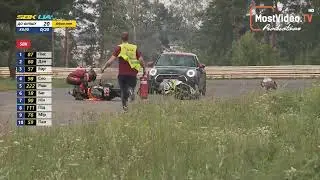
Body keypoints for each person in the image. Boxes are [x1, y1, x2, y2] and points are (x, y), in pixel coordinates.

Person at [101, 32, 146, 111]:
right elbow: (141, 60)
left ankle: (125, 109)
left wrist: (104, 67)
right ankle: (131, 90)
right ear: (128, 38)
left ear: (121, 39)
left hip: (122, 74)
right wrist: (144, 68)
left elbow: (111, 61)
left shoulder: (119, 48)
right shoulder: (134, 47)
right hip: (132, 74)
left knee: (123, 92)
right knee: (131, 87)